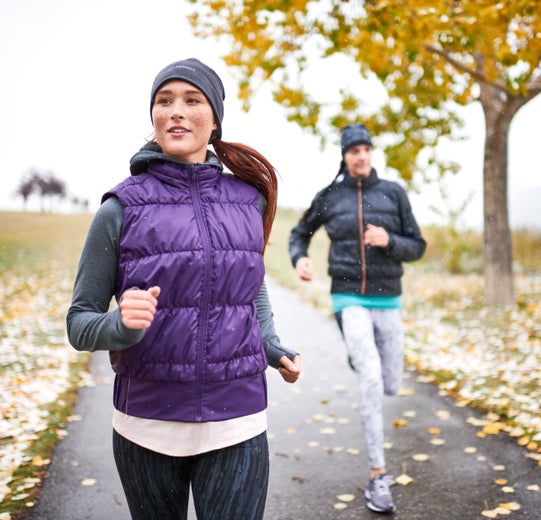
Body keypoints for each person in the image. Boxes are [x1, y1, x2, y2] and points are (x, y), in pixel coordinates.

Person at [66, 58, 301, 520]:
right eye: (164, 101)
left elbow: (250, 289)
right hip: (146, 427)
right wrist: (119, 325)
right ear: (152, 118)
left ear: (214, 120)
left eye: (192, 100)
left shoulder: (246, 200)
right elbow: (79, 323)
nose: (176, 111)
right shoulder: (120, 207)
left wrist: (272, 347)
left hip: (238, 421)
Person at [289, 123, 425, 514]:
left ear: (371, 152)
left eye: (365, 149)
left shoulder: (393, 193)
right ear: (344, 156)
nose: (360, 156)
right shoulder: (331, 196)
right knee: (369, 375)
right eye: (353, 151)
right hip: (347, 295)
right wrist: (300, 258)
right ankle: (378, 476)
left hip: (388, 300)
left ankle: (360, 349)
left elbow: (418, 246)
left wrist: (390, 241)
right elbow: (300, 232)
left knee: (391, 383)